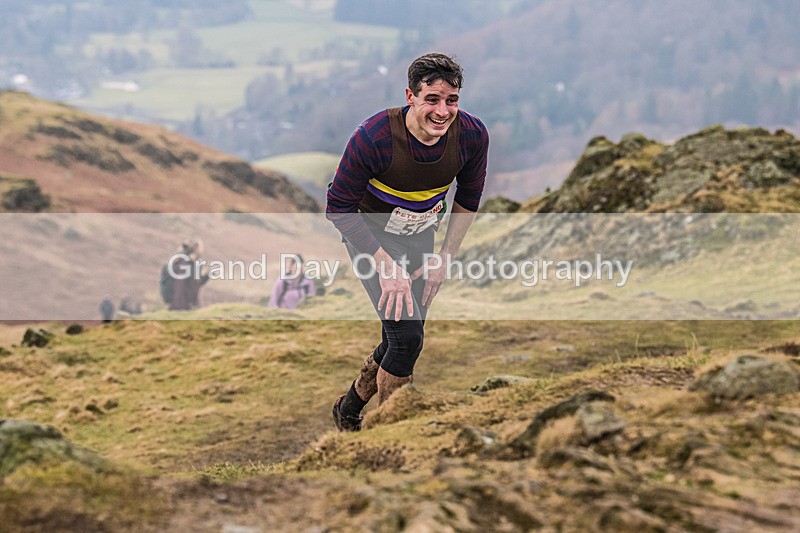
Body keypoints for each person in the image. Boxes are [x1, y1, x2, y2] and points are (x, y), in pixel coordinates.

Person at [326, 52, 489, 431]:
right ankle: (392, 431)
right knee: (406, 337)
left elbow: (468, 198)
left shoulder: (472, 135)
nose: (442, 111)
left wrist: (445, 257)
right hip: (371, 237)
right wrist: (386, 266)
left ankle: (348, 409)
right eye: (432, 99)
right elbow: (338, 207)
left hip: (420, 236)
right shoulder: (374, 137)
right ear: (410, 96)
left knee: (401, 335)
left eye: (452, 100)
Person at [169, 238, 209, 311]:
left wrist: (208, 275)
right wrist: (181, 309)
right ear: (195, 248)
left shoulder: (193, 264)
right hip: (183, 307)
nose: (203, 250)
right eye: (201, 247)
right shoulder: (184, 264)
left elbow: (195, 284)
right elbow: (179, 287)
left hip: (191, 306)